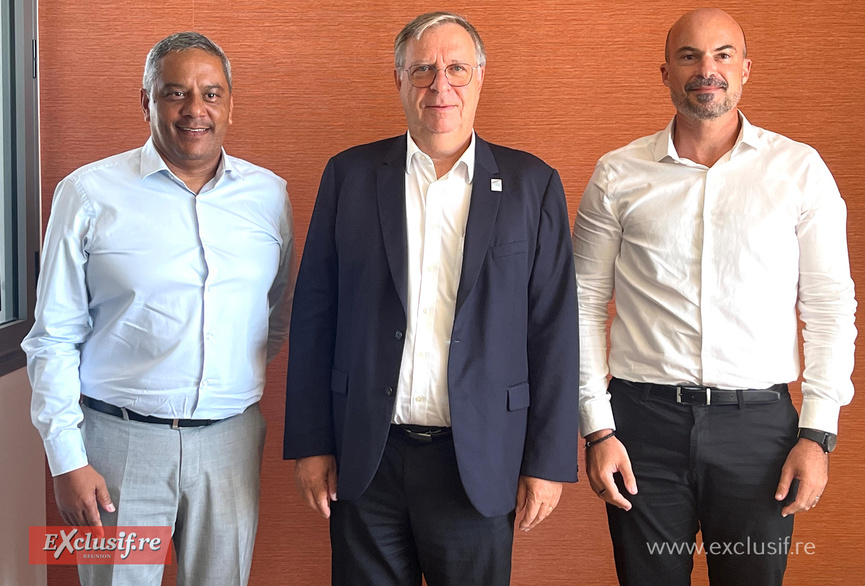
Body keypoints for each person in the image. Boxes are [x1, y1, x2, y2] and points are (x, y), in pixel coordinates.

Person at [284, 11, 579, 585]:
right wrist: (311, 443)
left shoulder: (532, 183)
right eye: (422, 69)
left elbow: (553, 328)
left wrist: (547, 462)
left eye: (456, 69)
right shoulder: (349, 175)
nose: (440, 85)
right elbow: (315, 314)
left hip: (479, 460)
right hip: (367, 455)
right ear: (398, 79)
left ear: (480, 77)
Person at [573, 8, 856, 585]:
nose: (708, 69)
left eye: (723, 54)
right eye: (689, 56)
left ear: (746, 68)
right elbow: (580, 303)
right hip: (641, 428)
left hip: (760, 432)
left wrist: (817, 434)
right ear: (666, 73)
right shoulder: (617, 174)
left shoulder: (799, 170)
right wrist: (597, 427)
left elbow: (829, 308)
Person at [22, 31, 295, 585]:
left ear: (230, 105)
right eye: (175, 93)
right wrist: (66, 459)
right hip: (116, 446)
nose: (195, 109)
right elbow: (52, 336)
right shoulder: (87, 194)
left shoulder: (269, 195)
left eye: (211, 94)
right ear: (146, 101)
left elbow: (275, 313)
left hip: (230, 443)